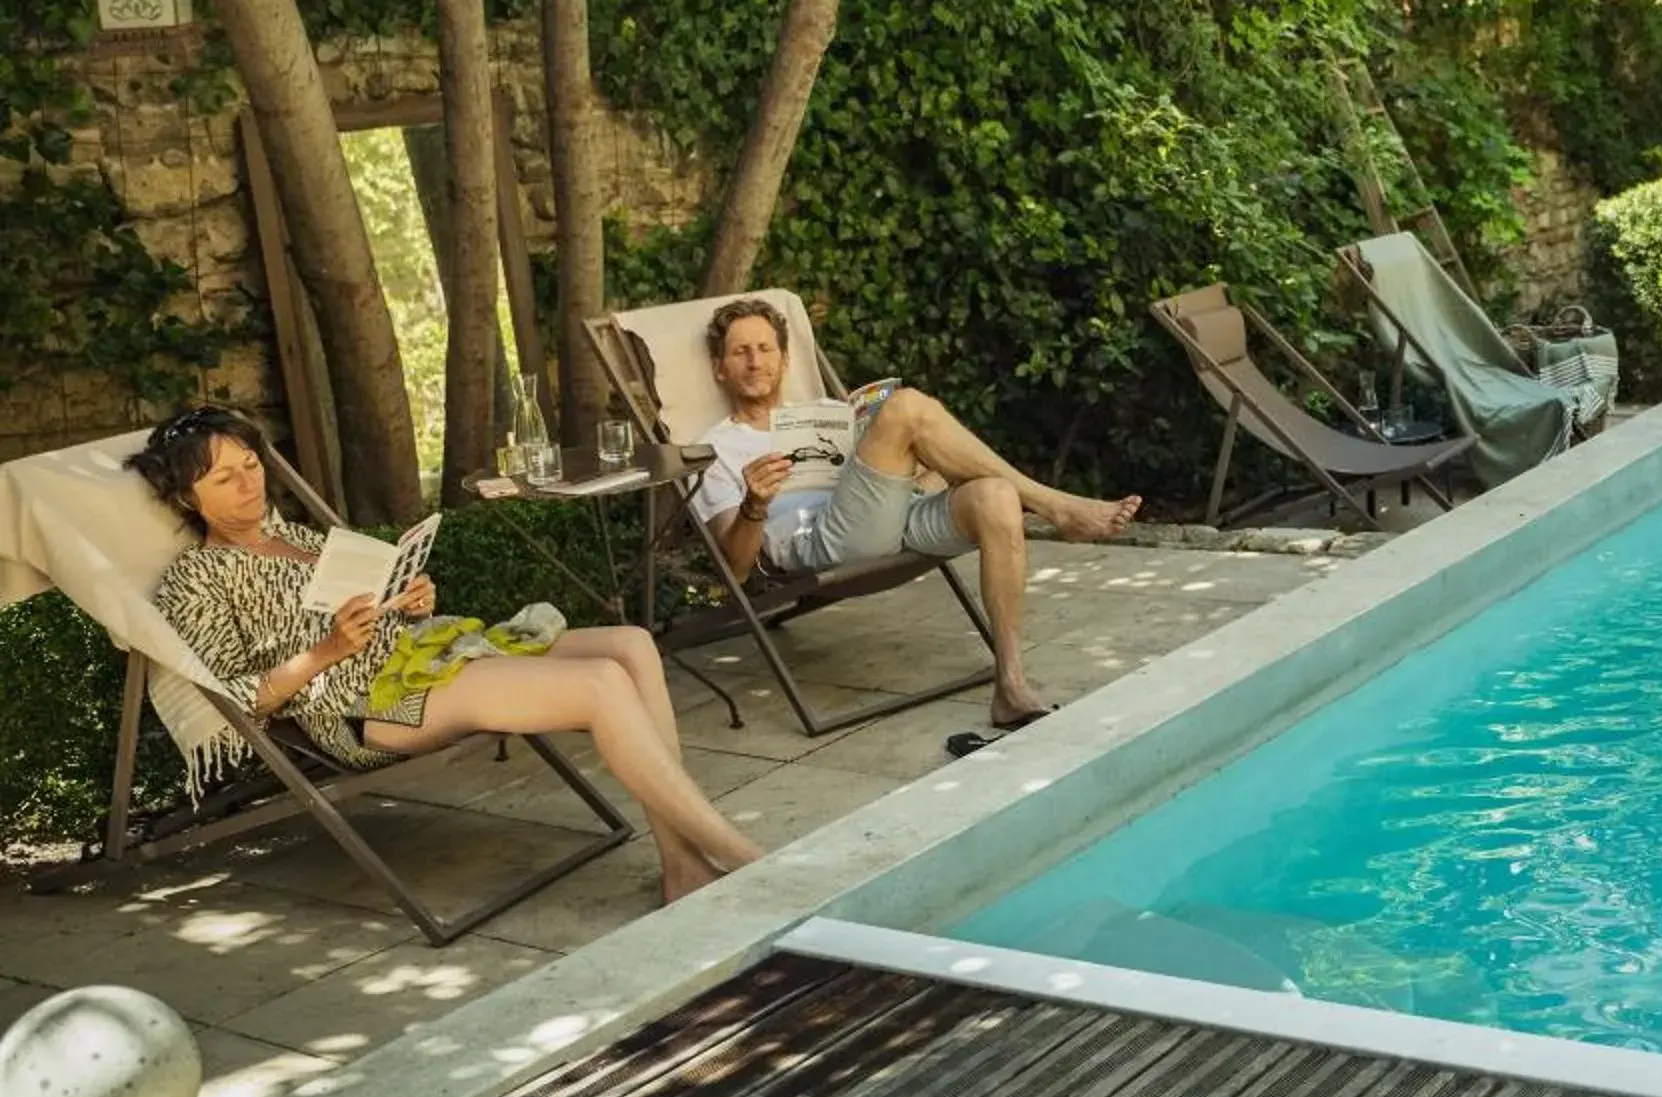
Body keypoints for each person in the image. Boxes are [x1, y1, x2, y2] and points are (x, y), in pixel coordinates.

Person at [134, 406, 760, 904]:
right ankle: (743, 860)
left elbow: (367, 602)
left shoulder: (295, 535)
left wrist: (406, 597)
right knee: (598, 682)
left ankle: (682, 863)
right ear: (188, 500)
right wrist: (328, 650)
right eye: (225, 477)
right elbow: (237, 697)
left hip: (425, 650)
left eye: (251, 464)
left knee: (631, 644)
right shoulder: (196, 577)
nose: (249, 483)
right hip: (370, 702)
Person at [687, 297, 1141, 755]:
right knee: (905, 407)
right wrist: (755, 504)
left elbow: (900, 478)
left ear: (785, 359)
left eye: (765, 348)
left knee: (994, 497)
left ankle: (1011, 685)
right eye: (740, 351)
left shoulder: (828, 412)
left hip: (885, 515)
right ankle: (1055, 507)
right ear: (720, 367)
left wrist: (922, 467)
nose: (755, 360)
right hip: (819, 538)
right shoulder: (714, 449)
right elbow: (738, 569)